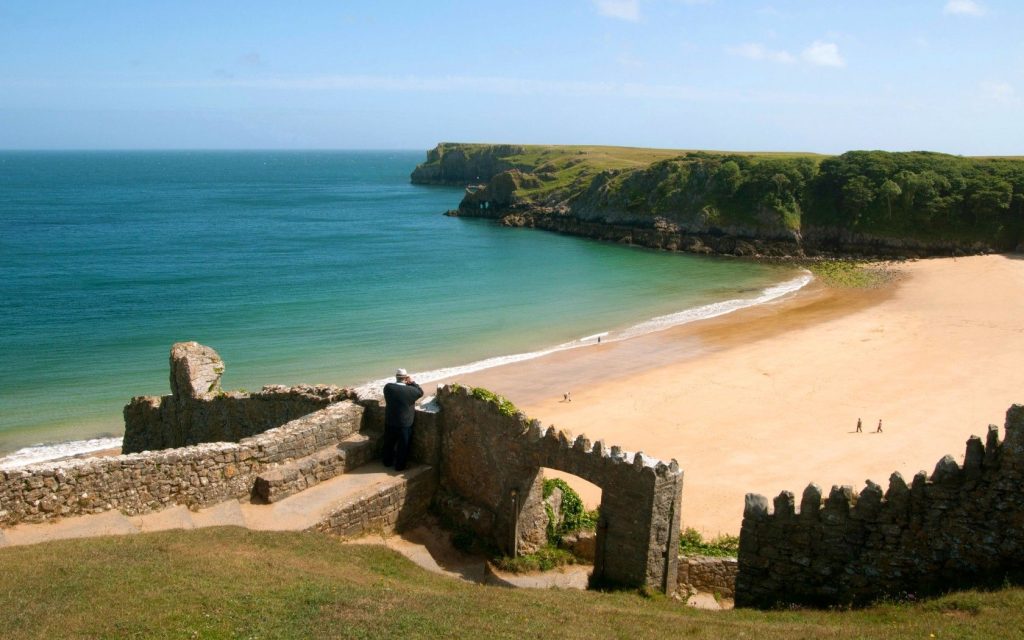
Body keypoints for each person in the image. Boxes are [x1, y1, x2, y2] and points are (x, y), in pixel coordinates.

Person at [381, 368, 423, 471]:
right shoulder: (411, 391)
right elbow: (420, 392)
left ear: (396, 377)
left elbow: (398, 391)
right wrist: (412, 382)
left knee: (389, 443)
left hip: (390, 421)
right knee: (403, 447)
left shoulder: (388, 388)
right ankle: (399, 466)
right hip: (405, 423)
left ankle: (387, 462)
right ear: (405, 378)